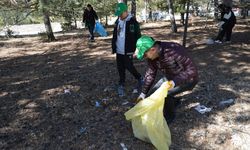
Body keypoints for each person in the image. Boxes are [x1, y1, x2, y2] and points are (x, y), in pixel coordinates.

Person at [135, 35, 199, 123]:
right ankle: (174, 102)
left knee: (165, 93)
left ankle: (170, 116)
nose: (145, 57)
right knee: (153, 92)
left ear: (153, 49)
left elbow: (192, 70)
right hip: (170, 77)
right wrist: (143, 93)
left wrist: (174, 82)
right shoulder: (153, 57)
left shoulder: (174, 51)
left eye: (145, 55)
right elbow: (150, 74)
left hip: (188, 79)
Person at [112, 3, 143, 97]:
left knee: (129, 65)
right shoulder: (118, 21)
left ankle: (139, 77)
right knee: (120, 66)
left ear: (126, 12)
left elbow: (138, 36)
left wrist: (138, 48)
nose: (119, 16)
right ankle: (121, 81)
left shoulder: (132, 21)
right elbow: (115, 35)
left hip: (129, 48)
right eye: (118, 14)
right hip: (119, 49)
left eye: (120, 13)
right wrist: (114, 46)